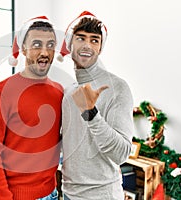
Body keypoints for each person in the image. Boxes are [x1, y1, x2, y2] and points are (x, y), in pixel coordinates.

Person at [0, 16, 63, 200]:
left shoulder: (59, 91)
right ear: (23, 49)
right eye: (36, 44)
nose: (44, 52)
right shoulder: (1, 93)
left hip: (52, 193)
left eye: (50, 45)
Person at [58, 11, 134, 200]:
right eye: (81, 38)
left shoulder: (117, 88)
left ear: (100, 48)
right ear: (70, 44)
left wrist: (90, 113)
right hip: (68, 193)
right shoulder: (68, 92)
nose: (87, 45)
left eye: (94, 40)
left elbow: (122, 154)